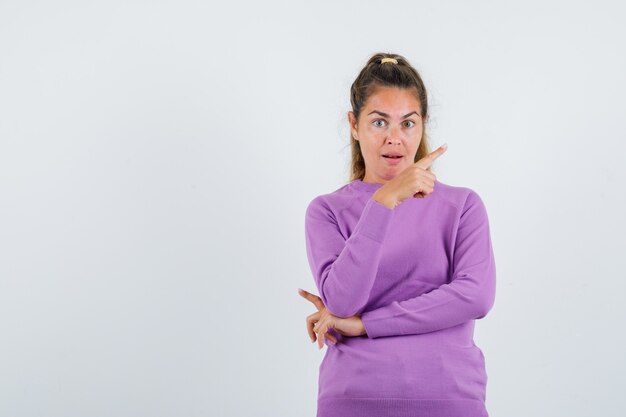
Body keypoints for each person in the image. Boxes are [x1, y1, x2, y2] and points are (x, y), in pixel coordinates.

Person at [298, 52, 497, 417]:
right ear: (354, 125)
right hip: (354, 399)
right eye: (379, 123)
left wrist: (366, 325)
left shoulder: (463, 205)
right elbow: (342, 302)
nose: (395, 139)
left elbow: (475, 296)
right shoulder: (326, 211)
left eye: (408, 124)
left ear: (423, 126)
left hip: (450, 399)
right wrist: (384, 201)